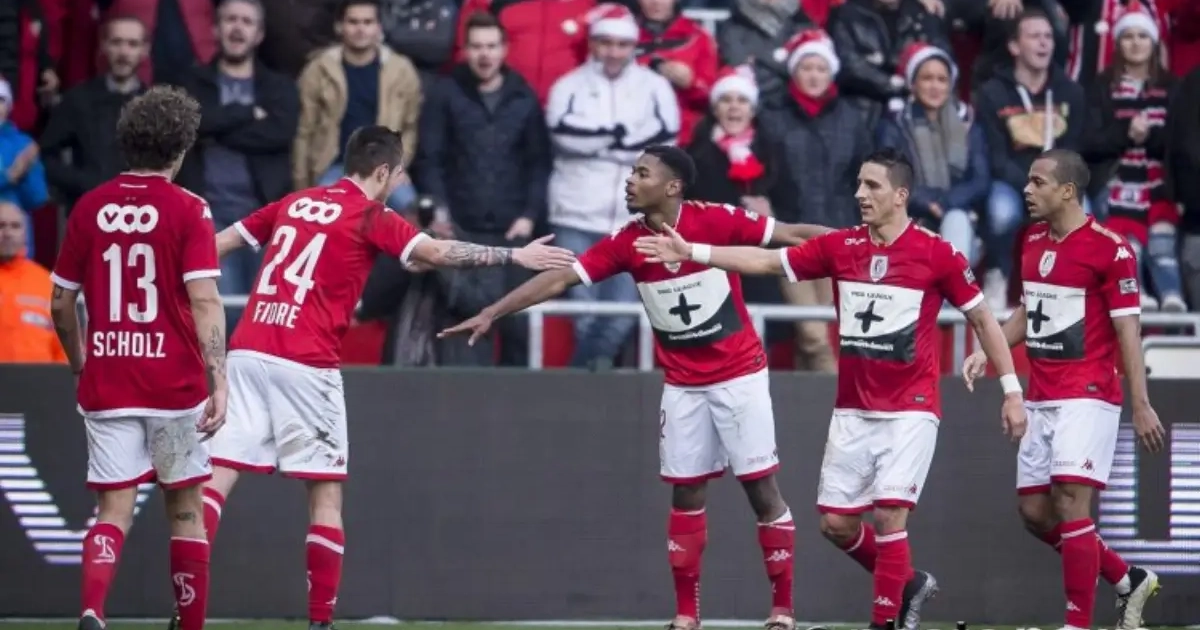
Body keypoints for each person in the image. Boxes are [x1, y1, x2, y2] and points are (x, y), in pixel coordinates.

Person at [442, 145, 846, 630]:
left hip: (739, 377)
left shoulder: (715, 220)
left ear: (673, 186)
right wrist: (492, 311)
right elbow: (561, 279)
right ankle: (686, 615)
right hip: (683, 386)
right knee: (686, 495)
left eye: (642, 173)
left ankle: (782, 610)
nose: (629, 181)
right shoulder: (628, 241)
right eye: (631, 172)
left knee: (761, 491)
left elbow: (793, 234)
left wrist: (863, 246)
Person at [630, 147, 1028, 630]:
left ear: (900, 195)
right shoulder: (842, 246)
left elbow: (982, 317)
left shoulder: (936, 252)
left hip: (911, 408)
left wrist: (1011, 390)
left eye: (872, 186)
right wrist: (693, 251)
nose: (860, 194)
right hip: (853, 409)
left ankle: (885, 622)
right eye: (858, 184)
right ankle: (907, 584)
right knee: (837, 525)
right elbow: (766, 262)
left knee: (889, 516)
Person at [199, 125, 576, 630]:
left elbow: (217, 245)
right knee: (324, 494)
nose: (399, 183)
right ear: (383, 171)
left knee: (215, 481)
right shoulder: (371, 215)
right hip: (306, 361)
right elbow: (439, 253)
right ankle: (320, 621)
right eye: (398, 175)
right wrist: (515, 255)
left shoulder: (295, 201)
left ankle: (187, 608)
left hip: (248, 349)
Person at [961, 148, 1166, 630]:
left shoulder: (1111, 249)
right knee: (1035, 511)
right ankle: (1127, 579)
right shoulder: (1033, 239)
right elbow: (1029, 309)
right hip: (1041, 394)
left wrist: (1140, 403)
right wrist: (990, 351)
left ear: (1068, 191)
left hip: (1088, 394)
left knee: (1071, 501)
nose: (1026, 190)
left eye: (1038, 182)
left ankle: (1077, 624)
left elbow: (1128, 330)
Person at [47, 86, 227, 630]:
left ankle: (92, 610)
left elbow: (60, 302)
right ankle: (189, 625)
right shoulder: (190, 209)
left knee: (112, 511)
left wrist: (80, 361)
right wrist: (219, 380)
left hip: (110, 378)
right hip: (174, 387)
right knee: (186, 511)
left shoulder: (90, 206)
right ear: (181, 147)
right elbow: (204, 300)